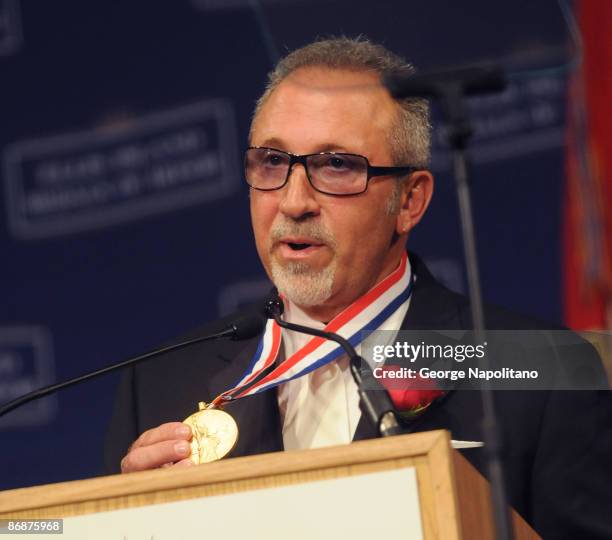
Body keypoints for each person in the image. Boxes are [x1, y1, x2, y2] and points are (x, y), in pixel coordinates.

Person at [105, 37, 612, 539]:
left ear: (411, 200)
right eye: (273, 162)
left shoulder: (546, 375)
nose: (294, 201)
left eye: (337, 166)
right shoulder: (158, 386)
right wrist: (128, 526)